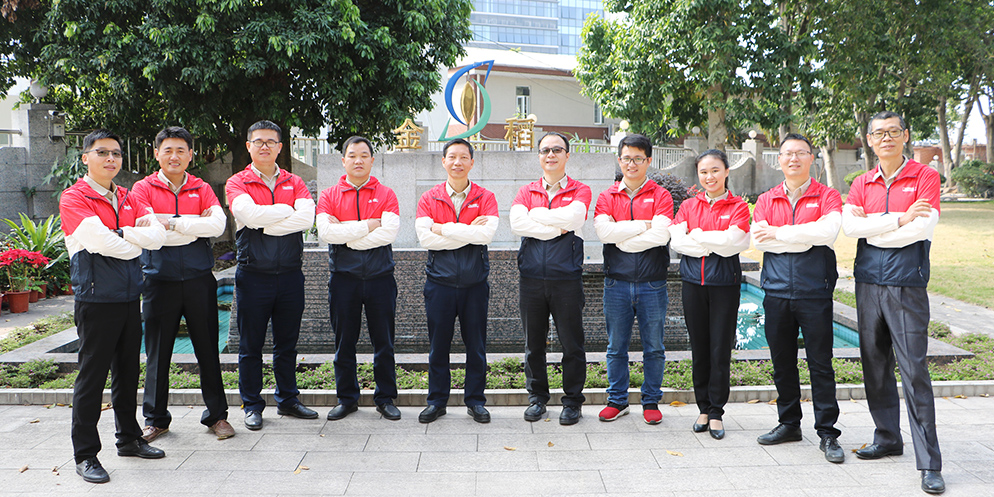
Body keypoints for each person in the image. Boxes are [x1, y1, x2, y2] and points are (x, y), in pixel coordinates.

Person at [842, 111, 944, 494]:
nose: (886, 138)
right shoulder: (861, 182)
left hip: (906, 284)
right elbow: (851, 228)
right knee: (875, 365)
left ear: (905, 136)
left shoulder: (925, 176)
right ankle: (887, 437)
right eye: (878, 133)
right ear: (869, 140)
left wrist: (876, 225)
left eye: (893, 132)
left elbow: (921, 229)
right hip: (868, 282)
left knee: (914, 370)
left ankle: (930, 463)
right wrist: (899, 220)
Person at [60, 129, 167, 483]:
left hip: (128, 297)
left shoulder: (127, 196)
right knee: (91, 379)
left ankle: (129, 438)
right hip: (95, 300)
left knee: (127, 372)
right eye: (102, 152)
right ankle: (85, 454)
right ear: (85, 157)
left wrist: (122, 234)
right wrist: (133, 239)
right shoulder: (74, 197)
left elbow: (158, 236)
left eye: (116, 154)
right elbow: (101, 243)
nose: (110, 159)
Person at [130, 126, 233, 442]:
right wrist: (193, 226)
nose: (174, 156)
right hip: (159, 280)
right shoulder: (142, 188)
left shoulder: (202, 187)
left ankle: (217, 416)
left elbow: (217, 226)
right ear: (156, 153)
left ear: (190, 155)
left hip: (200, 280)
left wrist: (171, 222)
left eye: (181, 150)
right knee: (157, 353)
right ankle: (156, 419)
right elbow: (146, 230)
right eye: (168, 150)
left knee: (208, 349)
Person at [751, 133, 844, 463]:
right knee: (782, 364)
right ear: (779, 160)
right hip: (776, 292)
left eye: (800, 153)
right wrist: (803, 237)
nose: (794, 158)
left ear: (811, 158)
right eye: (788, 153)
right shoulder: (767, 199)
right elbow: (759, 241)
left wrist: (779, 233)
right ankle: (789, 423)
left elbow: (827, 233)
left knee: (821, 364)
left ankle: (828, 433)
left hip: (814, 291)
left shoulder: (828, 195)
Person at [225, 120, 318, 431]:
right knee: (250, 346)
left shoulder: (295, 181)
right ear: (248, 146)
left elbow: (306, 219)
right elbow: (249, 216)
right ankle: (252, 405)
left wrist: (265, 221)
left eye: (270, 142)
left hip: (290, 275)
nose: (264, 146)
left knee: (287, 344)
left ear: (280, 147)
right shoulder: (237, 182)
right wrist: (286, 211)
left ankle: (288, 399)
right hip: (253, 276)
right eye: (258, 141)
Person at [509, 131, 592, 425]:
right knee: (534, 344)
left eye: (557, 150)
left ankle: (573, 402)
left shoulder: (581, 190)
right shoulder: (526, 191)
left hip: (566, 279)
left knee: (572, 344)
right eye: (545, 150)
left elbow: (575, 218)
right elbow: (517, 223)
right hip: (531, 279)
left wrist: (536, 216)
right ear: (539, 156)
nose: (551, 155)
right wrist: (557, 227)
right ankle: (537, 399)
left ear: (567, 155)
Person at [317, 136, 402, 422]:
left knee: (384, 342)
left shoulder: (386, 194)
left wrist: (346, 234)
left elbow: (388, 234)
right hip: (344, 279)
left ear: (372, 160)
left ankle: (385, 398)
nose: (358, 160)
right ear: (343, 161)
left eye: (364, 155)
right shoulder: (329, 195)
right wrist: (367, 226)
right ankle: (347, 399)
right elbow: (327, 233)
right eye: (352, 155)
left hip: (380, 278)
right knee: (344, 342)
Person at [414, 138, 499, 424]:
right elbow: (426, 239)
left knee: (476, 346)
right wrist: (466, 231)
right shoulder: (429, 198)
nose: (457, 162)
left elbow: (485, 236)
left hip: (475, 284)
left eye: (463, 157)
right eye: (452, 157)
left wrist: (443, 229)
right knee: (438, 346)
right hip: (439, 283)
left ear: (472, 162)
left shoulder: (485, 197)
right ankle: (436, 401)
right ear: (444, 161)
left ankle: (475, 401)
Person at [668, 149, 750, 440]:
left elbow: (733, 241)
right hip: (693, 284)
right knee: (700, 348)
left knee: (720, 349)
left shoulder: (738, 206)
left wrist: (698, 235)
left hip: (724, 286)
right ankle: (703, 407)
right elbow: (677, 242)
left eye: (715, 170)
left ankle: (716, 411)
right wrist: (715, 242)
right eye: (703, 172)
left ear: (726, 171)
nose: (709, 176)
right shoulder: (688, 205)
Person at [592, 134, 674, 425]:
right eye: (626, 158)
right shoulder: (607, 197)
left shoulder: (662, 196)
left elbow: (661, 235)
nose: (632, 164)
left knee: (654, 347)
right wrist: (643, 226)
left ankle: (651, 401)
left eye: (638, 158)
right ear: (619, 160)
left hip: (653, 283)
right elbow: (604, 233)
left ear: (648, 161)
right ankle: (617, 400)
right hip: (616, 283)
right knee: (616, 347)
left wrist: (622, 235)